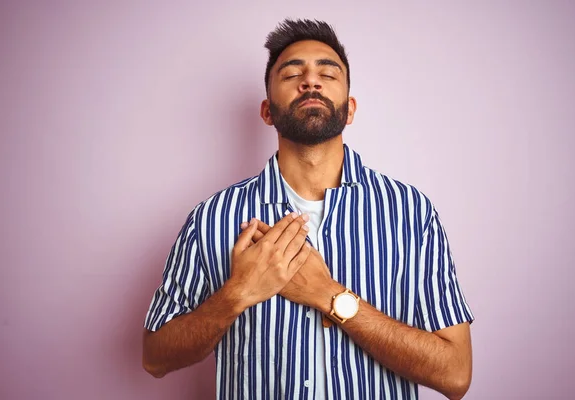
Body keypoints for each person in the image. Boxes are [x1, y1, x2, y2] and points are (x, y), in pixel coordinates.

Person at [142, 18, 474, 400]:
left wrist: (329, 296)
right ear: (267, 112)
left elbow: (455, 373)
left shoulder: (411, 213)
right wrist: (238, 293)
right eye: (292, 73)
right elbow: (155, 357)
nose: (310, 81)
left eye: (327, 73)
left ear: (349, 110)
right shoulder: (212, 219)